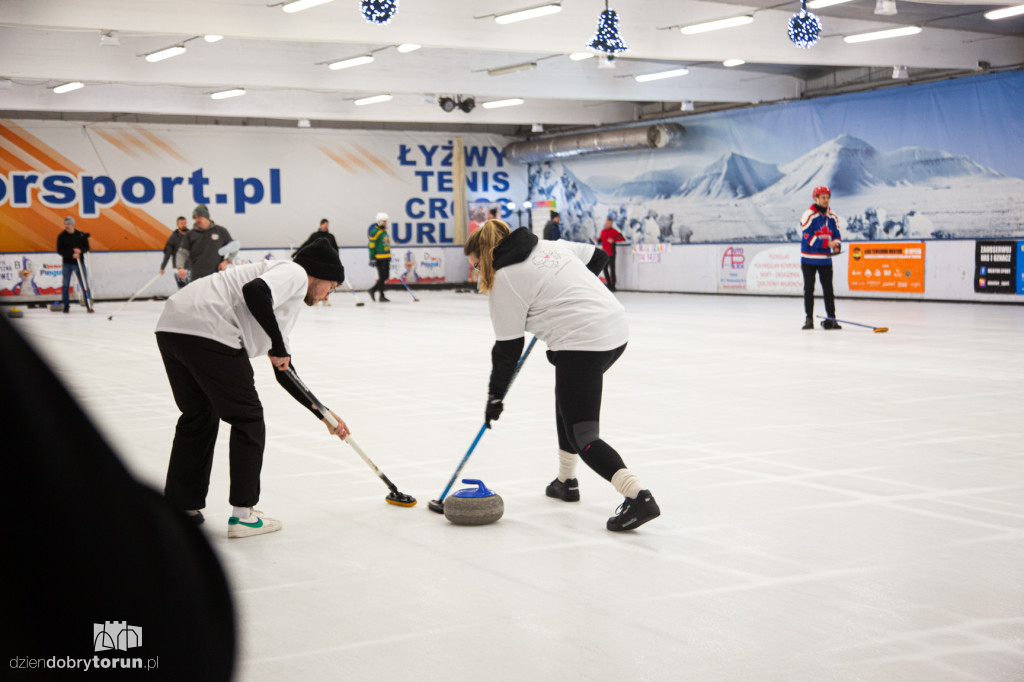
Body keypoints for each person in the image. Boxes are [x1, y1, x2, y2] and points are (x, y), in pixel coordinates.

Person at [464, 219, 660, 531]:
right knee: (568, 399)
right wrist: (565, 295)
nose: (476, 274)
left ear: (485, 256)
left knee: (583, 435)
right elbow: (598, 257)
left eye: (476, 267)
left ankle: (638, 496)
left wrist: (495, 397)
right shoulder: (552, 246)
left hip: (582, 343)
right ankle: (566, 480)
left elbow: (507, 351)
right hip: (615, 329)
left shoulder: (504, 279)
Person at [155, 239, 351, 538]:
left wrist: (323, 413)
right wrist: (277, 342)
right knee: (248, 418)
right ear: (319, 275)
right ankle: (243, 515)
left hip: (173, 327)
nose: (327, 295)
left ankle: (181, 505)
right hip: (211, 329)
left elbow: (284, 370)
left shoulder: (281, 300)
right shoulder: (295, 272)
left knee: (198, 415)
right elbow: (254, 292)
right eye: (332, 286)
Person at [799, 186, 843, 330]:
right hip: (808, 259)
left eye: (828, 197)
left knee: (828, 290)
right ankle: (809, 319)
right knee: (809, 290)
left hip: (825, 259)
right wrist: (827, 243)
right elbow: (808, 238)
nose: (826, 200)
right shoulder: (808, 215)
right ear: (816, 199)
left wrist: (836, 245)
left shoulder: (832, 216)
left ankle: (832, 318)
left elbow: (836, 234)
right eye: (823, 197)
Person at [175, 204, 234, 282]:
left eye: (199, 217)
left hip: (216, 276)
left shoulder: (220, 231)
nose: (197, 220)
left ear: (206, 217)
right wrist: (180, 268)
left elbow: (234, 246)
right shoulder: (190, 234)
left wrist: (226, 261)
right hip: (197, 277)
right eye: (195, 218)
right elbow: (182, 253)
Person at [56, 216, 93, 313]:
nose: (66, 226)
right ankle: (66, 306)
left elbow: (87, 247)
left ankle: (89, 305)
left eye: (68, 224)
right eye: (65, 224)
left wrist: (80, 251)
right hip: (67, 264)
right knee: (65, 285)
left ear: (72, 225)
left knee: (84, 284)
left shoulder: (80, 235)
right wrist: (71, 255)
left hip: (79, 264)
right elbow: (60, 250)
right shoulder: (61, 236)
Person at [597, 217, 627, 291]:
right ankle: (609, 285)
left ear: (611, 224)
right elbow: (601, 239)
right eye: (606, 223)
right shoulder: (603, 231)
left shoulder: (614, 231)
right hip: (604, 254)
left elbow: (622, 238)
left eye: (608, 223)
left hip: (611, 253)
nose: (606, 224)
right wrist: (598, 240)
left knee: (612, 270)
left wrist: (613, 240)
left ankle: (613, 286)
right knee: (604, 269)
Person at [160, 215, 191, 288]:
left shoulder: (191, 235)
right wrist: (162, 268)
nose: (184, 225)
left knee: (191, 288)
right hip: (178, 268)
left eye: (185, 223)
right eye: (181, 223)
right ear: (177, 224)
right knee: (183, 288)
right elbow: (167, 254)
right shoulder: (173, 238)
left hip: (190, 267)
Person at [367, 211, 391, 302]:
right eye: (383, 221)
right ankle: (381, 295)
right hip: (379, 258)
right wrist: (372, 257)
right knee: (382, 276)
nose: (385, 223)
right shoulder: (375, 231)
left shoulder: (384, 230)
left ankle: (372, 290)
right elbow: (371, 245)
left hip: (386, 257)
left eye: (386, 221)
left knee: (386, 276)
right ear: (378, 221)